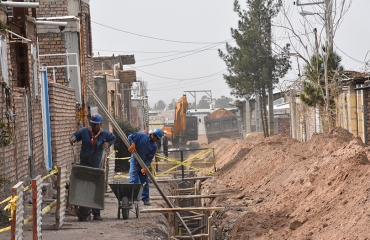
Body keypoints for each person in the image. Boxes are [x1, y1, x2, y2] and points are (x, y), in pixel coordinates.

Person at [69, 113, 116, 221]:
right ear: (91, 123)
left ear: (100, 124)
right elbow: (76, 135)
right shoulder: (84, 131)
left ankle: (96, 213)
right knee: (83, 186)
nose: (95, 127)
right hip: (84, 162)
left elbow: (113, 138)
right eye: (93, 124)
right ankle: (83, 208)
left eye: (97, 125)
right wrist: (73, 138)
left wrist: (108, 144)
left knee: (96, 187)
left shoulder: (105, 134)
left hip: (96, 163)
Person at [127, 128, 163, 206]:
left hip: (143, 164)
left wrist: (145, 167)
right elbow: (130, 136)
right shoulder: (141, 136)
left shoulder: (154, 146)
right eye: (156, 138)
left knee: (145, 181)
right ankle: (131, 198)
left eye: (158, 139)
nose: (156, 140)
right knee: (133, 179)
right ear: (153, 135)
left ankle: (145, 199)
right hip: (134, 161)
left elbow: (149, 158)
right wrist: (132, 143)